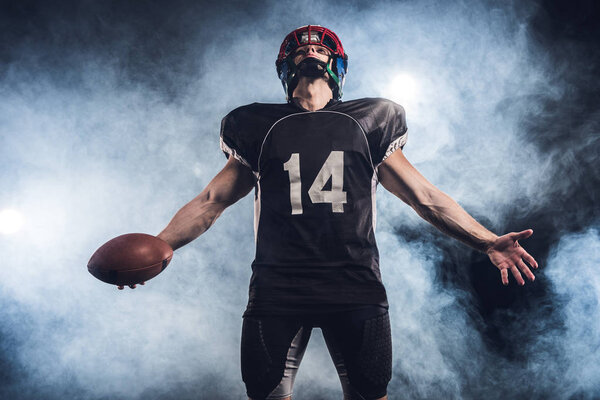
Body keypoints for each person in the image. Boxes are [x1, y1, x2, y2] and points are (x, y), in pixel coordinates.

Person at [150, 25, 538, 400]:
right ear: (285, 66)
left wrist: (488, 241)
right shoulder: (257, 125)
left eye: (320, 46)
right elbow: (210, 202)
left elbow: (424, 196)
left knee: (371, 394)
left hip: (354, 283)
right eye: (299, 47)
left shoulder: (370, 118)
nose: (310, 48)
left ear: (337, 64)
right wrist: (155, 248)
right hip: (278, 287)